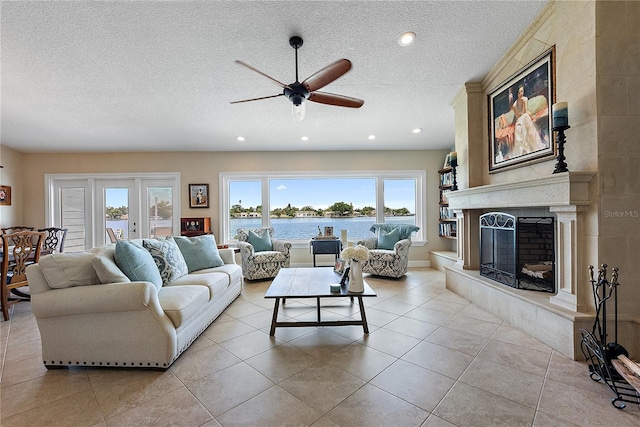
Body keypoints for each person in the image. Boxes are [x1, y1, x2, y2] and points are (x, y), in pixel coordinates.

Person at [511, 85, 544, 155]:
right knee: (523, 120)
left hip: (525, 117)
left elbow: (525, 111)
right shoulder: (514, 105)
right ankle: (523, 148)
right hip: (520, 120)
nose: (521, 93)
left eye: (522, 91)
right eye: (519, 92)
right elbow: (518, 116)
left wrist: (523, 102)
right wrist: (523, 114)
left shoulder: (525, 99)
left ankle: (534, 145)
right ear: (516, 94)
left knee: (526, 116)